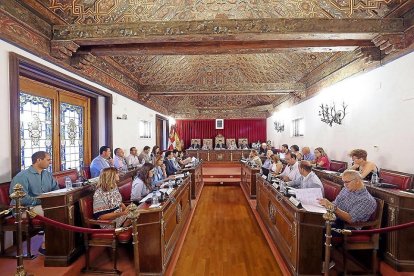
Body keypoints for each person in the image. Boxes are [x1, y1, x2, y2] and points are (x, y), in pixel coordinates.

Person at [9, 151, 59, 255]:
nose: (50, 162)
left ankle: (61, 244)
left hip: (43, 205)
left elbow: (56, 190)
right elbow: (21, 198)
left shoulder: (47, 175)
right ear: (38, 160)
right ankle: (45, 246)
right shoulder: (22, 176)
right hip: (23, 208)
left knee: (62, 210)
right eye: (48, 160)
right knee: (52, 212)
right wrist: (42, 201)